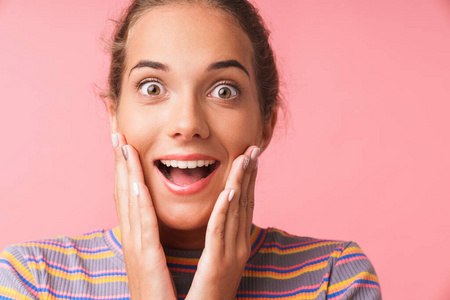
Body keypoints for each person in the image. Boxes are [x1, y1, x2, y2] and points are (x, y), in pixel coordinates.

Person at [0, 0, 381, 299]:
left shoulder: (333, 278)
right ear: (115, 115)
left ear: (266, 124)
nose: (187, 124)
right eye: (152, 88)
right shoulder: (31, 279)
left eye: (224, 90)